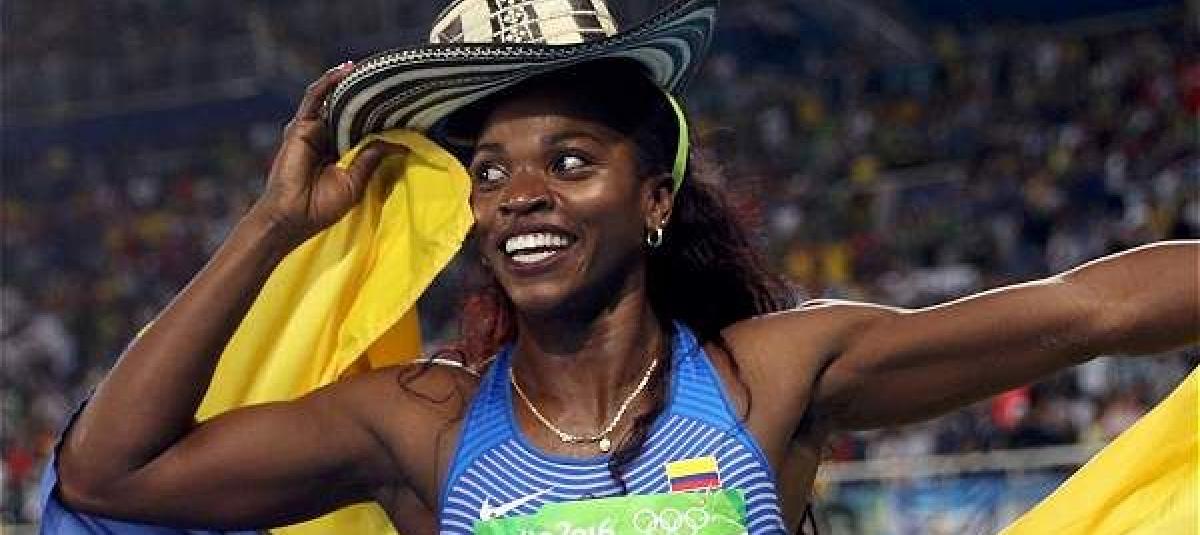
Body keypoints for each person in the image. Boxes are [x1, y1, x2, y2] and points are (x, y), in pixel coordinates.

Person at [52, 0, 1197, 533]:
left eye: (569, 160)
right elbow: (110, 476)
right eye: (490, 172)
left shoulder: (765, 381)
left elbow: (1089, 307)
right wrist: (271, 227)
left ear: (652, 199)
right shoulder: (420, 426)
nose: (521, 193)